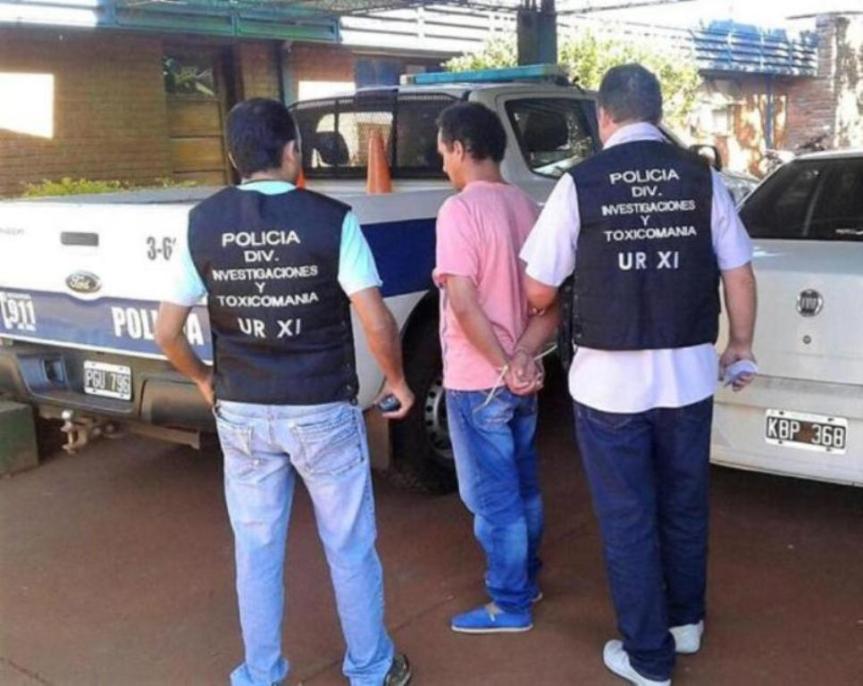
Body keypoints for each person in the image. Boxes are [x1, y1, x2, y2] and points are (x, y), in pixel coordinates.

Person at [154, 98, 414, 686]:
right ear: (293, 151)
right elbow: (376, 321)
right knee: (348, 544)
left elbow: (166, 332)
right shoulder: (332, 219)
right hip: (321, 407)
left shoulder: (202, 222)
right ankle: (371, 668)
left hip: (241, 408)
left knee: (256, 547)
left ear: (233, 157)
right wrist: (396, 380)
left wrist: (203, 379)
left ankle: (261, 672)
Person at [521, 64, 757, 685]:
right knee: (684, 503)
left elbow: (539, 287)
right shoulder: (702, 177)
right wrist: (740, 345)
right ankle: (685, 623)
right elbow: (738, 271)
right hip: (688, 379)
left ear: (604, 117)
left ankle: (648, 658)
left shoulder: (580, 183)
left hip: (609, 387)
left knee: (628, 518)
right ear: (657, 113)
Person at [433, 102, 559, 635]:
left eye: (443, 153)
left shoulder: (459, 211)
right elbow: (550, 305)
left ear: (461, 149)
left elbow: (463, 303)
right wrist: (522, 359)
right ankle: (526, 578)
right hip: (521, 379)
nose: (444, 164)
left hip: (478, 381)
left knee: (493, 498)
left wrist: (504, 364)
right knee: (524, 486)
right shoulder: (529, 208)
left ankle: (509, 604)